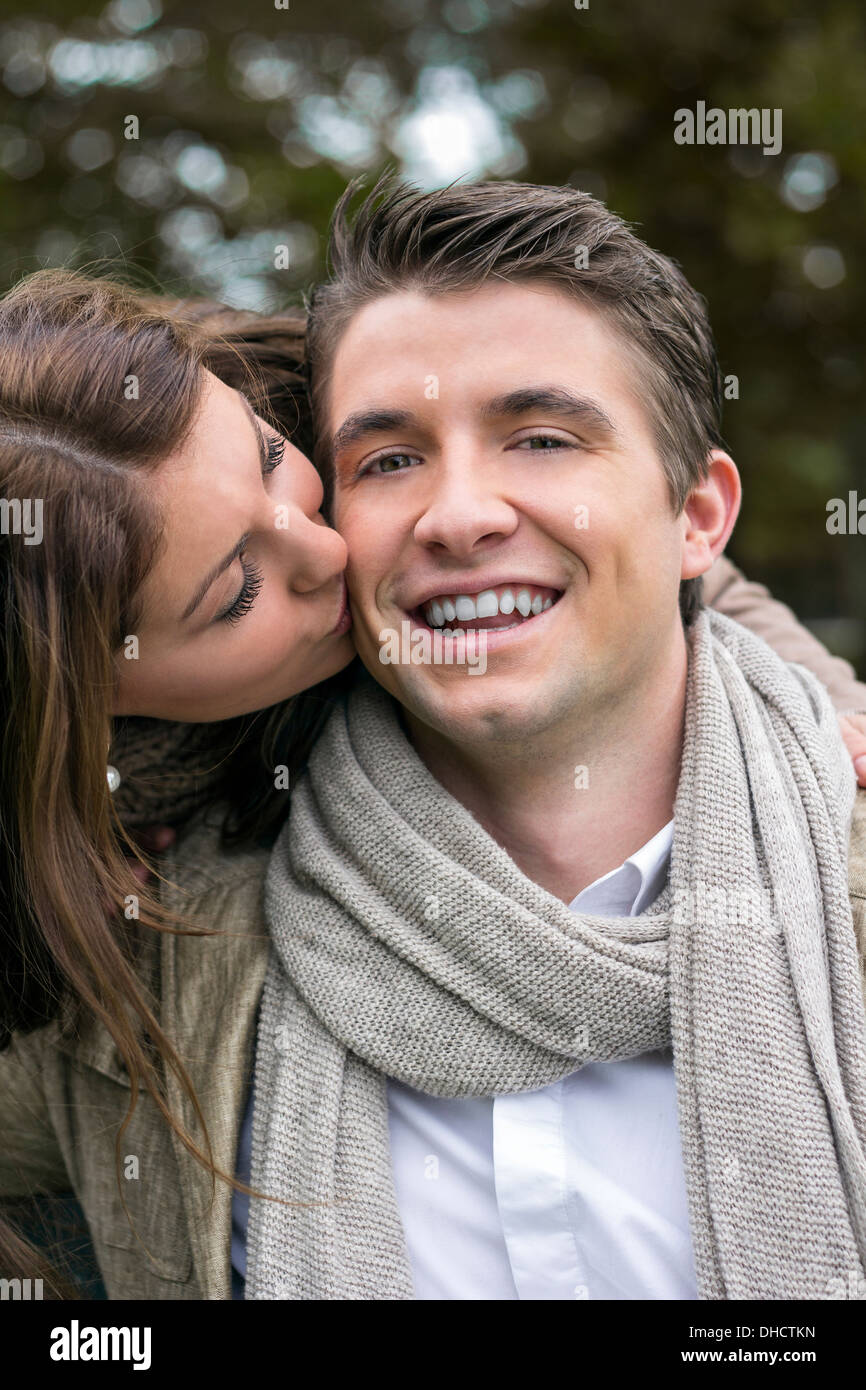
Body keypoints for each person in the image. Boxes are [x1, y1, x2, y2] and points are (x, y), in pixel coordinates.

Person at [0, 195, 865, 1300]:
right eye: (390, 462)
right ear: (102, 701)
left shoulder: (830, 854)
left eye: (542, 439)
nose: (445, 519)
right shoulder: (133, 972)